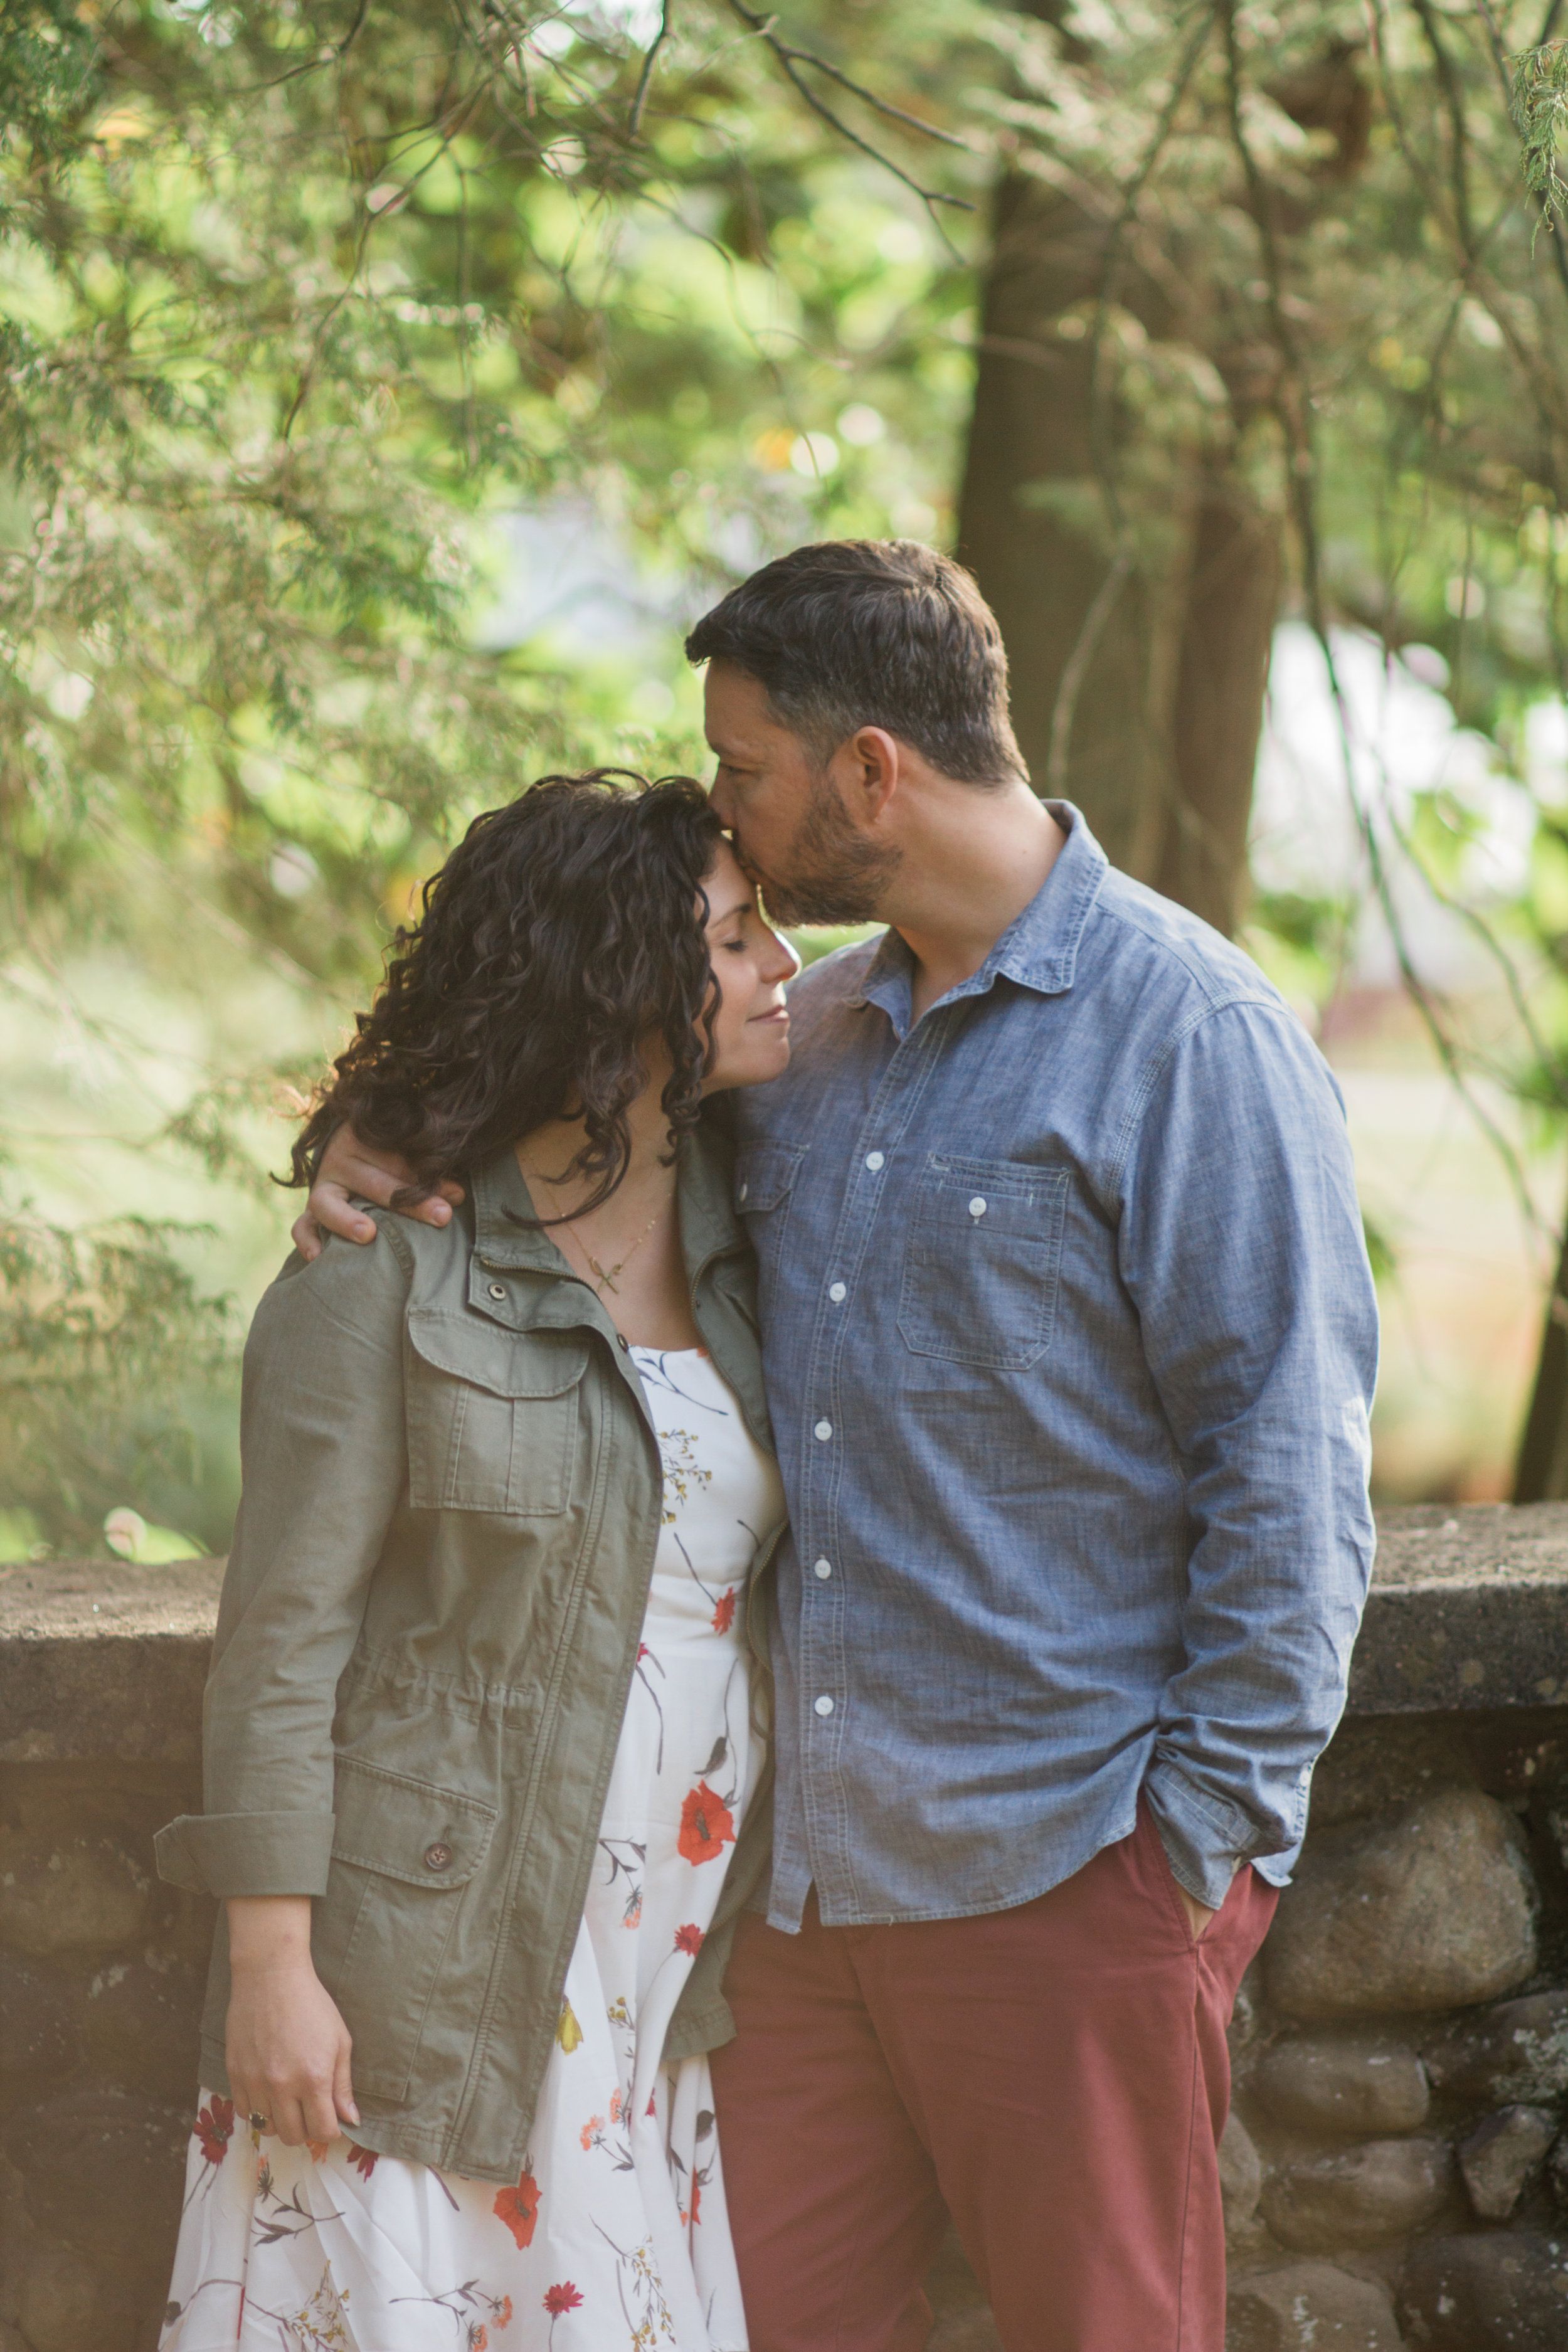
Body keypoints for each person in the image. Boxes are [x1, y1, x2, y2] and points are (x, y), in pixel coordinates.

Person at [302, 541, 1380, 2352]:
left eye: (743, 769)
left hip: (1066, 1878)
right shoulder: (792, 1043)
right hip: (783, 1910)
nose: (721, 810)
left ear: (869, 769)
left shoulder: (1193, 1042)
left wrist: (1192, 1862)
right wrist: (378, 1147)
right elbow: (567, 1124)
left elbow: (1288, 1490)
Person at [154, 772, 800, 2352]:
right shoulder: (383, 1271)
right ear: (616, 990)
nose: (783, 963)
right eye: (731, 938)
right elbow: (283, 1636)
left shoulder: (753, 1214)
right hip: (414, 1981)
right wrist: (269, 1965)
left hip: (650, 1988)